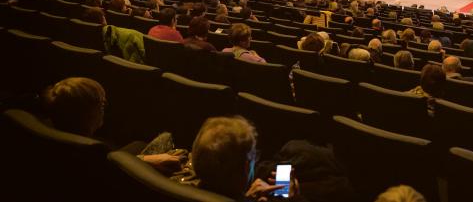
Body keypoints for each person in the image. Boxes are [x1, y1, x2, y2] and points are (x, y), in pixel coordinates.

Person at [43, 77, 184, 174]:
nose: (103, 107)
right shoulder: (96, 150)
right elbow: (110, 165)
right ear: (89, 113)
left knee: (139, 144)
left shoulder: (47, 132)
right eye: (101, 104)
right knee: (166, 138)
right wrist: (146, 161)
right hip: (126, 172)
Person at [191, 116, 302, 200]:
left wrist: (246, 198)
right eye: (254, 156)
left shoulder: (181, 193)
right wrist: (293, 199)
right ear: (246, 167)